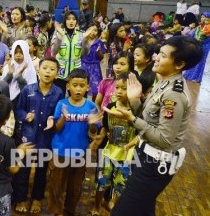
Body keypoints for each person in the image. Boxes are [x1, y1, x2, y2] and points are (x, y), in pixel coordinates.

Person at [107, 36, 203, 215]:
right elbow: (149, 118)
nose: (156, 57)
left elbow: (165, 139)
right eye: (159, 52)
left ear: (179, 64)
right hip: (144, 156)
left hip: (154, 165)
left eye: (164, 55)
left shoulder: (173, 95)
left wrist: (132, 119)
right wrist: (135, 101)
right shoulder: (164, 83)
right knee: (143, 210)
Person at [45, 69, 102, 215]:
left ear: (87, 87)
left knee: (75, 188)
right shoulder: (61, 104)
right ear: (68, 86)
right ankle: (54, 212)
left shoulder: (90, 106)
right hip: (60, 152)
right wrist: (64, 117)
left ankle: (69, 212)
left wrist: (92, 123)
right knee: (56, 186)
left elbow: (93, 132)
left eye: (81, 85)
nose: (78, 89)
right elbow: (56, 129)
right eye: (74, 85)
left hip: (80, 153)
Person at [13, 57, 64, 214]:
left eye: (52, 69)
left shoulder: (59, 93)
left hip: (46, 138)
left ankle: (36, 199)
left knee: (41, 171)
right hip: (27, 138)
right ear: (37, 70)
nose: (48, 72)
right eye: (45, 68)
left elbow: (60, 113)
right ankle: (20, 198)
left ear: (57, 74)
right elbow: (18, 110)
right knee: (23, 169)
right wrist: (25, 115)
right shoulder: (28, 90)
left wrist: (53, 119)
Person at [89, 73, 136, 215]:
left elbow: (141, 133)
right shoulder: (110, 106)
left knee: (121, 184)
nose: (120, 91)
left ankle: (114, 205)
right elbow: (105, 127)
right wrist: (98, 138)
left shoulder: (136, 110)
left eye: (124, 88)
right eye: (117, 88)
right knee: (101, 180)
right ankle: (96, 206)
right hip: (109, 150)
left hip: (128, 154)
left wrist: (130, 144)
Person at [51, 11, 84, 94]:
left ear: (77, 21)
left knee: (74, 96)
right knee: (59, 95)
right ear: (64, 21)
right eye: (68, 19)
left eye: (74, 19)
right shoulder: (57, 32)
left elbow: (85, 53)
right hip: (60, 72)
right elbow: (53, 52)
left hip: (75, 72)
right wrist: (59, 39)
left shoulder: (81, 34)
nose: (71, 21)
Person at [2, 40, 38, 108]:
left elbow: (31, 90)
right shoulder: (8, 67)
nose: (18, 55)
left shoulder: (29, 68)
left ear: (26, 53)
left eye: (21, 52)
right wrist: (9, 74)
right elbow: (3, 86)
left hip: (23, 101)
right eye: (16, 52)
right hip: (7, 101)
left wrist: (19, 77)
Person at [184, 12, 210, 83]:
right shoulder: (198, 27)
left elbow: (208, 39)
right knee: (194, 59)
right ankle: (190, 75)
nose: (203, 19)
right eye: (201, 17)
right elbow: (192, 36)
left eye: (204, 17)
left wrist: (202, 41)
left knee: (201, 62)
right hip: (196, 45)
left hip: (205, 47)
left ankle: (198, 77)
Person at [81, 26, 106, 100]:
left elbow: (102, 57)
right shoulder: (82, 41)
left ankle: (94, 104)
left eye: (95, 30)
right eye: (91, 30)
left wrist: (99, 52)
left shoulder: (99, 42)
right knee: (83, 85)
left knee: (96, 88)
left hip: (95, 68)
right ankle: (83, 102)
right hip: (84, 66)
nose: (93, 32)